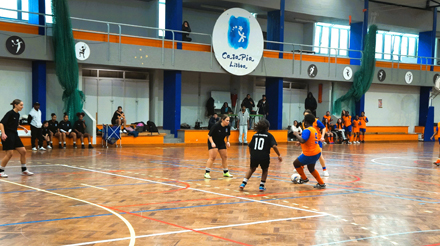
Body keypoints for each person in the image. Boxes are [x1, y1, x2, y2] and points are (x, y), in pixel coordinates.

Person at [239, 119, 282, 191]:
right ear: (267, 127)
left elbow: (250, 146)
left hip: (254, 155)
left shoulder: (255, 135)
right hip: (264, 156)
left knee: (251, 169)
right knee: (265, 170)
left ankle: (243, 183)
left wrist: (251, 154)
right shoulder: (269, 135)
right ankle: (261, 186)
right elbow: (274, 146)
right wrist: (279, 155)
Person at [0, 99, 33, 177]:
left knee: (23, 151)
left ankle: (24, 170)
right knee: (10, 154)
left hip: (15, 135)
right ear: (15, 105)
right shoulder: (10, 113)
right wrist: (3, 134)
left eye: (22, 105)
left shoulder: (17, 114)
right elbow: (1, 123)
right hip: (8, 134)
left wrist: (22, 127)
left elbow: (15, 124)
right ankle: (1, 171)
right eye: (21, 105)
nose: (22, 106)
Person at [291, 114, 326, 189]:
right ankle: (321, 183)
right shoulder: (313, 129)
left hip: (310, 154)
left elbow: (303, 140)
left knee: (296, 163)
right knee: (311, 168)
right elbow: (309, 140)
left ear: (305, 122)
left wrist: (296, 135)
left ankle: (304, 178)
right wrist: (299, 142)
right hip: (317, 152)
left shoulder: (306, 130)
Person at [204, 115, 233, 179]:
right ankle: (207, 172)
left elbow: (228, 135)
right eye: (227, 120)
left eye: (229, 120)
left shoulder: (228, 127)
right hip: (213, 141)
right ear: (222, 120)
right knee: (212, 157)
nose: (228, 122)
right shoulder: (216, 126)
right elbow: (209, 135)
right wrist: (212, 143)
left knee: (225, 156)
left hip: (221, 141)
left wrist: (228, 141)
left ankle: (226, 172)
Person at [303, 110, 329, 177]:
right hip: (309, 141)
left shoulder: (316, 121)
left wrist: (322, 137)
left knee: (319, 155)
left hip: (317, 141)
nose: (305, 116)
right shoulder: (304, 123)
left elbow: (324, 128)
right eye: (304, 115)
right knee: (304, 153)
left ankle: (325, 170)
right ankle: (300, 166)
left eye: (306, 115)